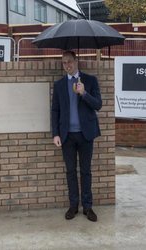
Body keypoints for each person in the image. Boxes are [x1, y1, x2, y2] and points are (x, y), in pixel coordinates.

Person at [51, 50, 102, 222]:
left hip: (86, 134)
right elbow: (55, 111)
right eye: (64, 63)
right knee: (71, 171)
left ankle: (88, 207)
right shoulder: (59, 85)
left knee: (86, 171)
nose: (67, 66)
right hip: (67, 136)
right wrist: (55, 133)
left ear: (76, 61)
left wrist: (84, 93)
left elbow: (98, 105)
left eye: (70, 62)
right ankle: (74, 206)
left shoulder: (90, 80)